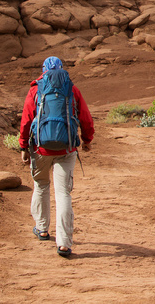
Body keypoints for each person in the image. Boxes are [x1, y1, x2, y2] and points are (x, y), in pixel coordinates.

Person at [19, 56, 94, 258]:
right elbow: (85, 118)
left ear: (43, 70)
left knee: (41, 185)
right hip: (66, 149)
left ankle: (42, 228)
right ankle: (64, 243)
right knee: (63, 194)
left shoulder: (36, 89)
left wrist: (23, 146)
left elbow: (26, 120)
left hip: (40, 149)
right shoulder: (72, 89)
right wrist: (87, 140)